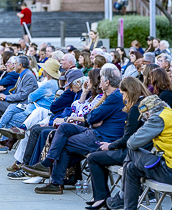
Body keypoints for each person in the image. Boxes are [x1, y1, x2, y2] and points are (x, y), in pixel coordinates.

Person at [33, 64, 127, 194]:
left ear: (107, 82)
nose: (99, 82)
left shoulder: (114, 96)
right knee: (65, 127)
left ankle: (55, 179)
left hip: (102, 137)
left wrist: (92, 120)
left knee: (63, 143)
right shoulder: (111, 95)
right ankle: (51, 163)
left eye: (101, 79)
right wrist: (92, 119)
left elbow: (93, 116)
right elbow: (91, 116)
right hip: (95, 131)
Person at [122, 95, 172, 210]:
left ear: (148, 114)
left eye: (145, 118)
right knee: (131, 168)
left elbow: (132, 143)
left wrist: (146, 126)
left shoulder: (158, 119)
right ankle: (127, 206)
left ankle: (121, 196)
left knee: (131, 151)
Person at [86, 77, 151, 209]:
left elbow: (128, 138)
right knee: (98, 153)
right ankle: (100, 196)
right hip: (143, 150)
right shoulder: (143, 104)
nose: (123, 99)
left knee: (93, 157)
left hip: (134, 153)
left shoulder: (135, 109)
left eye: (123, 94)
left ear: (130, 91)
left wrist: (110, 145)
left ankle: (101, 196)